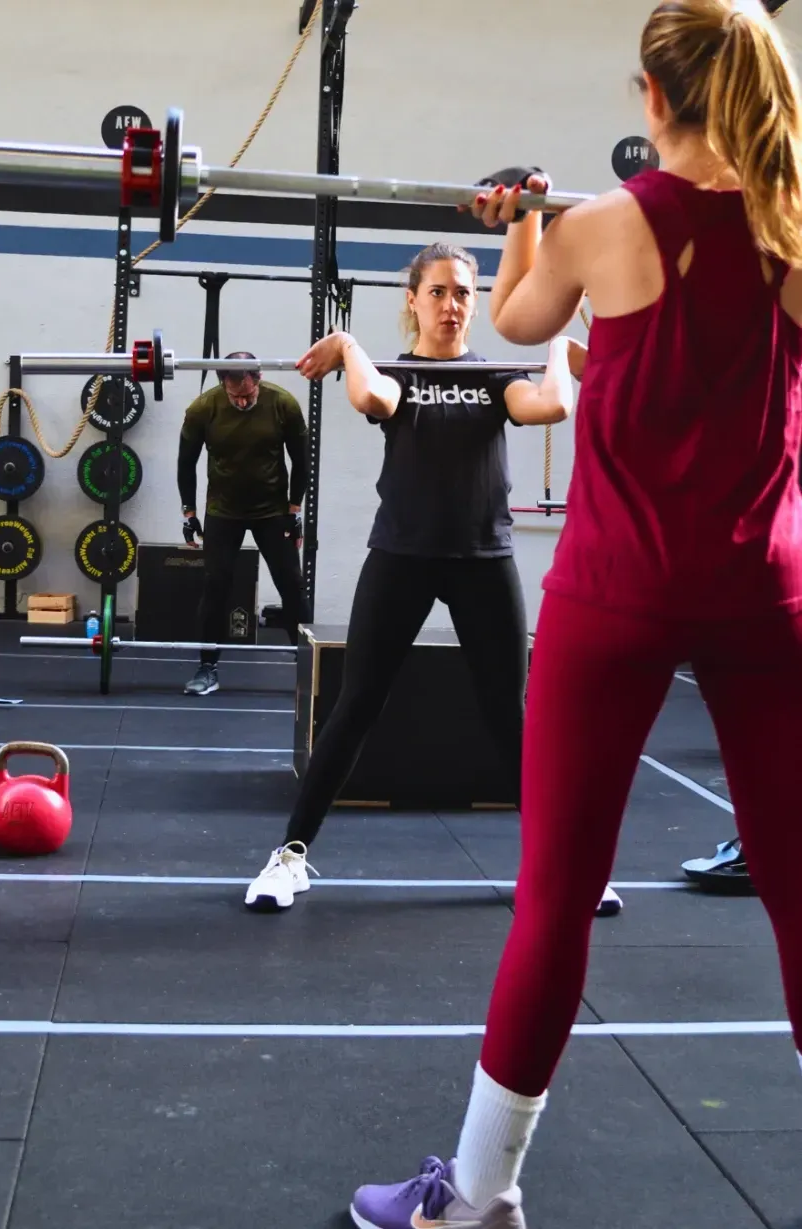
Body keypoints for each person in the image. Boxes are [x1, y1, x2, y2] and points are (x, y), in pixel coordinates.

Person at [348, 2, 802, 1227]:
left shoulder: (606, 231)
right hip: (765, 593)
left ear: (649, 99)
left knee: (554, 894)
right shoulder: (790, 226)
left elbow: (513, 323)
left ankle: (479, 1193)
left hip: (615, 594)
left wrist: (519, 223)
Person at [242, 241, 622, 922]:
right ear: (412, 301)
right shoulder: (393, 372)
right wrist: (351, 345)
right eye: (439, 292)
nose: (452, 305)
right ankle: (290, 854)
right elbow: (371, 396)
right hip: (402, 556)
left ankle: (567, 867)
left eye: (464, 294)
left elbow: (550, 409)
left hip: (482, 558)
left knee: (511, 715)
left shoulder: (494, 374)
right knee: (356, 702)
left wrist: (560, 350)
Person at [177, 353, 310, 696]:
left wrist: (294, 510)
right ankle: (207, 668)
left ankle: (311, 669)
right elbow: (186, 463)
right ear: (224, 385)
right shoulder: (203, 409)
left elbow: (302, 458)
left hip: (272, 511)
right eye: (235, 396)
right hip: (224, 511)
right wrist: (189, 513)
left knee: (292, 586)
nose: (242, 401)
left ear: (259, 378)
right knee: (216, 585)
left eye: (248, 395)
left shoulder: (283, 404)